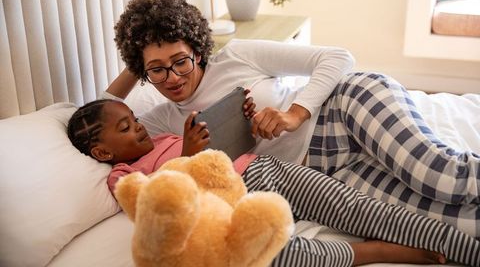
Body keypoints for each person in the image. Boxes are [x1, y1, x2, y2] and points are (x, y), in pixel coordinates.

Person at [105, 0, 480, 238]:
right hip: (323, 171)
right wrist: (138, 58)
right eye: (157, 70)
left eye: (180, 61)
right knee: (452, 223)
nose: (172, 78)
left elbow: (338, 57)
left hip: (344, 109)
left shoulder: (236, 56)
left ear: (198, 51)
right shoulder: (162, 119)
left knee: (443, 181)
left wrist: (295, 114)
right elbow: (94, 111)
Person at [67, 98, 480, 267]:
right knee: (277, 256)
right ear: (102, 153)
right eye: (125, 127)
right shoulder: (122, 177)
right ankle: (370, 252)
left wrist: (234, 122)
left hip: (263, 171)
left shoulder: (158, 135)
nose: (139, 128)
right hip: (233, 210)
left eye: (135, 119)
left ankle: (463, 248)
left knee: (359, 208)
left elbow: (106, 98)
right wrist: (187, 156)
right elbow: (159, 204)